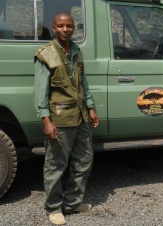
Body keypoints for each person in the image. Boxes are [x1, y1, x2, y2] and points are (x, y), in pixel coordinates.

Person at [33, 12, 99, 225]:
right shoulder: (46, 55)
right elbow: (40, 91)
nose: (65, 29)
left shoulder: (77, 51)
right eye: (61, 26)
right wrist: (46, 119)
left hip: (80, 117)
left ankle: (72, 202)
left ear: (73, 28)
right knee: (56, 165)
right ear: (54, 28)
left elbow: (83, 83)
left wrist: (90, 107)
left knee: (83, 161)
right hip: (60, 119)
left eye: (69, 26)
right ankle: (53, 207)